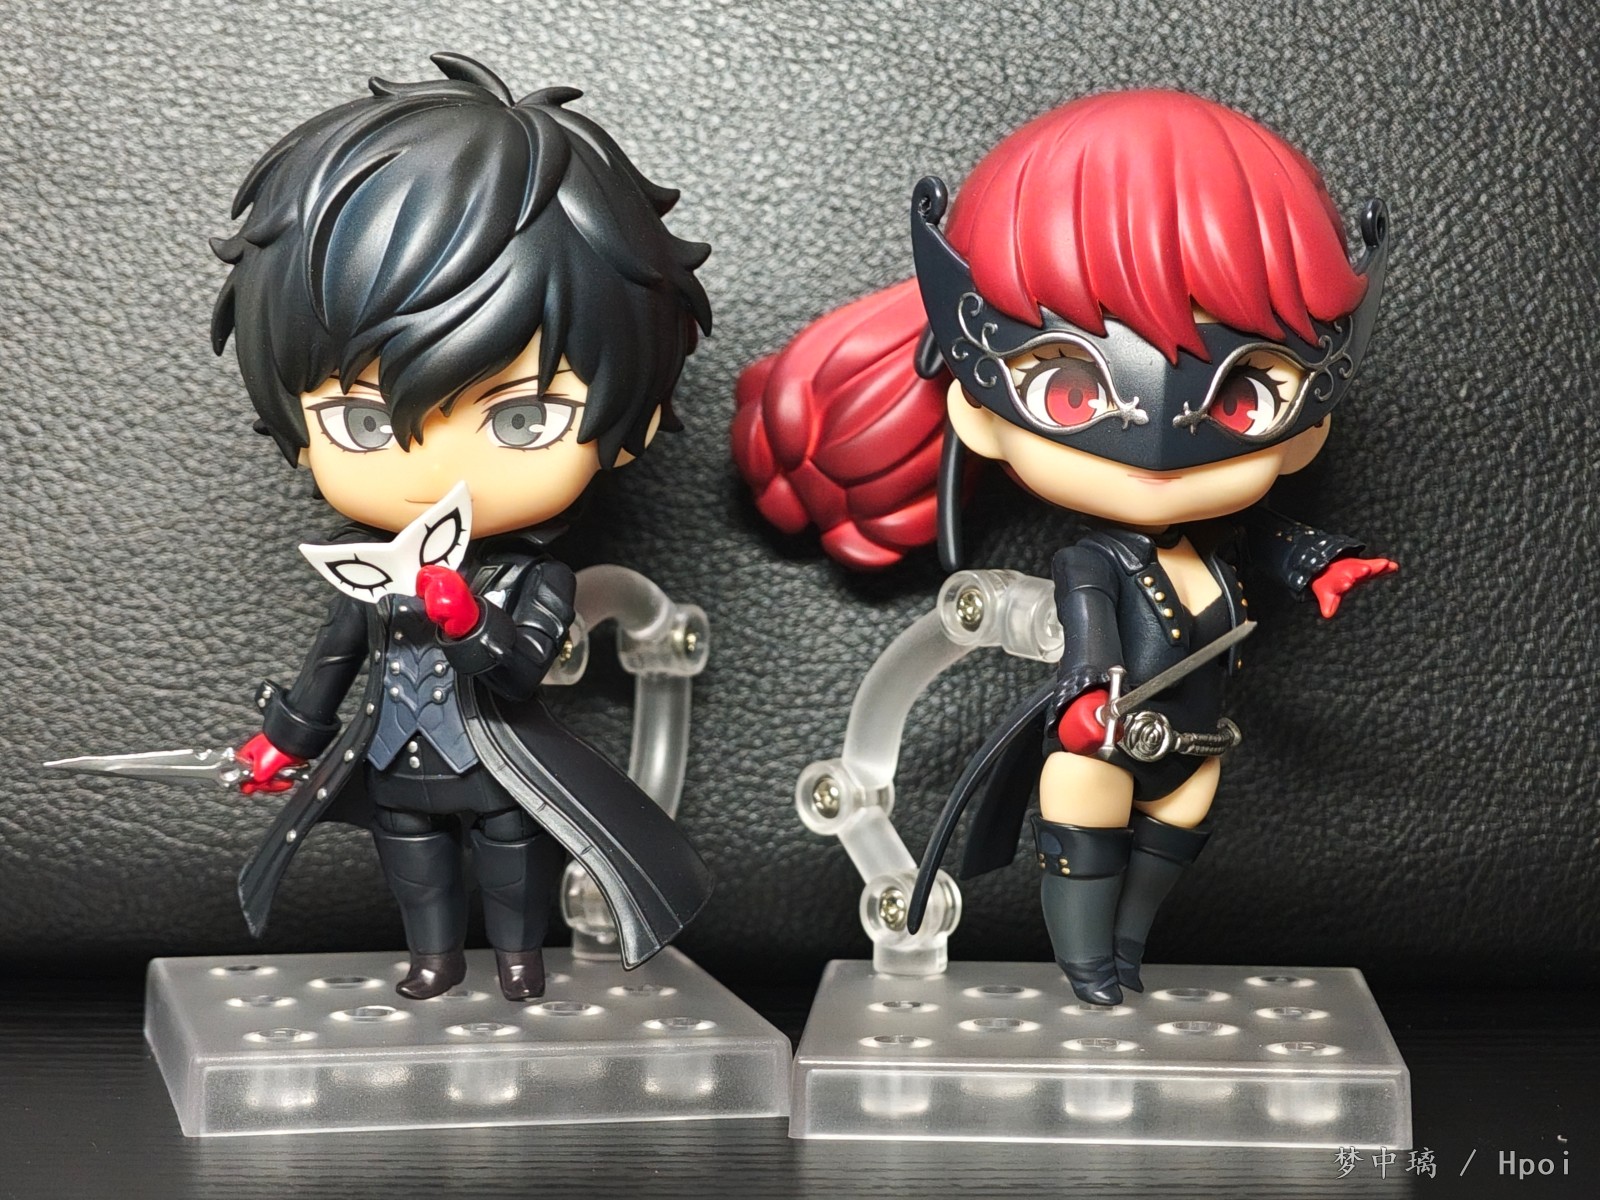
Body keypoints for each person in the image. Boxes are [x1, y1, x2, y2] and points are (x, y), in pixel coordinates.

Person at [733, 91, 1396, 1005]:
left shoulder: (1228, 539)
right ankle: (1090, 976)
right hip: (1103, 740)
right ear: (980, 412)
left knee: (1166, 850)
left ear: (1305, 432)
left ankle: (1125, 957)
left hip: (1197, 739)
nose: (1160, 441)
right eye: (1074, 393)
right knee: (1087, 846)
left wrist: (1324, 561)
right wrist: (1086, 701)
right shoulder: (1095, 563)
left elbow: (1271, 542)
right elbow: (1088, 639)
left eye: (1246, 398)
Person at [213, 53, 714, 1002]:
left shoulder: (533, 577)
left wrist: (466, 618)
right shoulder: (373, 573)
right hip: (395, 763)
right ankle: (434, 960)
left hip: (501, 766)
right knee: (414, 865)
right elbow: (332, 663)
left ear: (636, 416)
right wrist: (284, 739)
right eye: (365, 423)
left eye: (520, 419)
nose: (436, 471)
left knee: (509, 863)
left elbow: (521, 670)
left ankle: (520, 963)